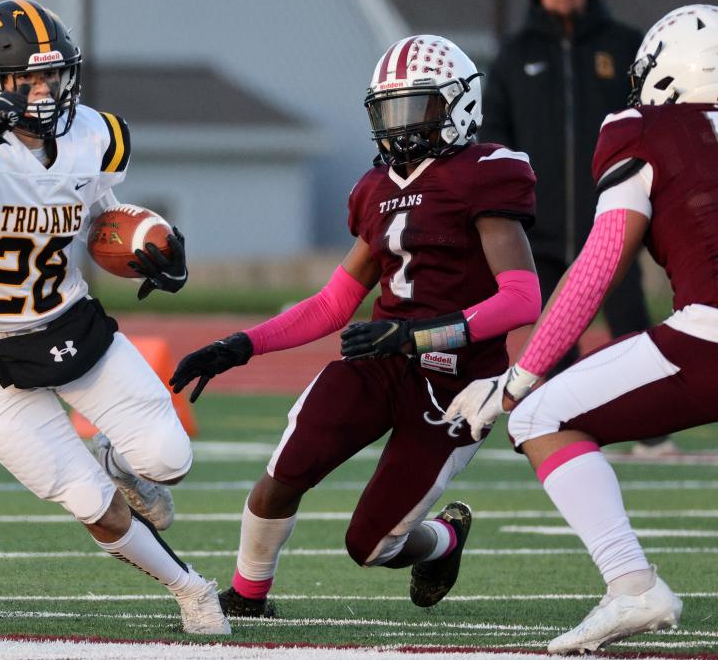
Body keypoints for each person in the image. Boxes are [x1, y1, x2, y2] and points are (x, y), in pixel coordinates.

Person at [170, 35, 542, 617]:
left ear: (458, 106)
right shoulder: (374, 189)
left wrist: (417, 335)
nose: (400, 126)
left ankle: (443, 540)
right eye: (389, 111)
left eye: (416, 108)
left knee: (370, 546)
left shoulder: (483, 174)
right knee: (285, 471)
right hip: (379, 363)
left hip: (456, 387)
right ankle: (248, 597)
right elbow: (331, 305)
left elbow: (522, 299)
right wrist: (239, 346)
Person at [0, 0, 229, 635]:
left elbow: (102, 213)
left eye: (54, 75)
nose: (45, 90)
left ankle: (116, 458)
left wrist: (148, 247)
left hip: (69, 323)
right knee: (88, 503)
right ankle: (190, 590)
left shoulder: (96, 136)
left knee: (169, 460)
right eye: (29, 78)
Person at [447, 4, 718, 654]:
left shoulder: (644, 126)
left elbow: (601, 261)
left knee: (538, 418)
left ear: (669, 75)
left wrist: (518, 379)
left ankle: (631, 584)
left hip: (710, 333)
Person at [482, 0, 671, 455]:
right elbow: (495, 137)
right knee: (555, 338)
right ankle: (577, 426)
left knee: (632, 329)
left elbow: (652, 118)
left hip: (613, 222)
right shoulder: (513, 57)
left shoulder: (624, 45)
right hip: (539, 229)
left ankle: (653, 434)